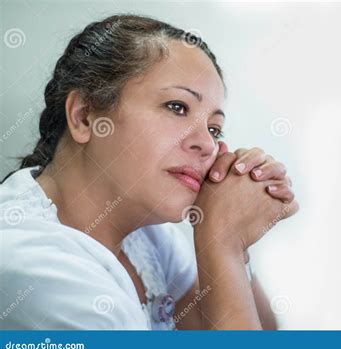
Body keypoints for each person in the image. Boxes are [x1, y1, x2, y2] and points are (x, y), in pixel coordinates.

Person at [0, 14, 298, 330]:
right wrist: (223, 241)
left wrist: (236, 239)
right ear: (85, 116)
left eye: (214, 129)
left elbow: (262, 333)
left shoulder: (148, 237)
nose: (208, 145)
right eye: (177, 107)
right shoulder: (36, 267)